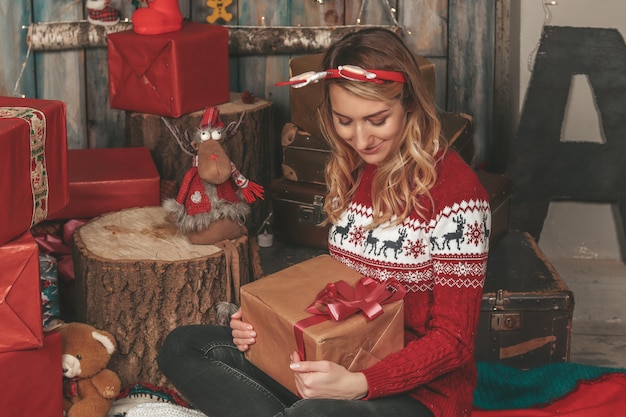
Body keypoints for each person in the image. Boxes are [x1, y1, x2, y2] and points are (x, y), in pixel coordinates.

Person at [157, 27, 491, 417]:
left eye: (377, 119)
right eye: (344, 121)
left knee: (314, 414)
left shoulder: (457, 192)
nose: (361, 139)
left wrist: (360, 384)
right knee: (184, 346)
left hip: (418, 394)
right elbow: (333, 287)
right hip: (334, 356)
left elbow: (455, 340)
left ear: (410, 105)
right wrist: (265, 324)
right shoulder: (351, 169)